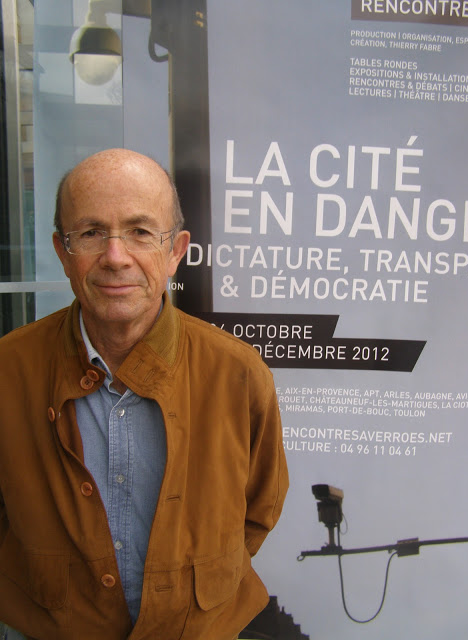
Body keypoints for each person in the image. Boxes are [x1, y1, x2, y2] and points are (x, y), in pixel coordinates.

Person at [0, 149, 288, 640]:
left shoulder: (238, 373)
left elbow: (259, 509)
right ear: (61, 250)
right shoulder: (8, 371)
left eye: (139, 232)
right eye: (91, 233)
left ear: (175, 250)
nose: (116, 257)